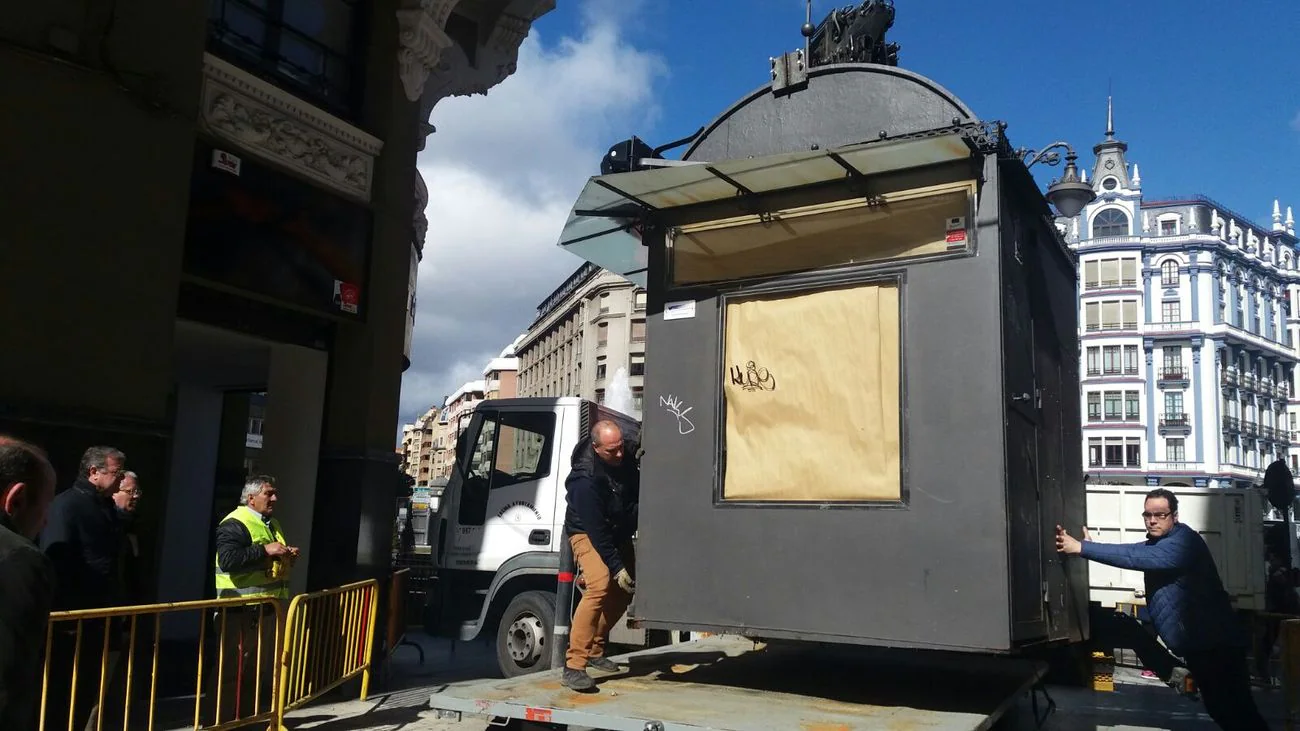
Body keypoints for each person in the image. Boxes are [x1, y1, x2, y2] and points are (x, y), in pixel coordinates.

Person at [1056, 488, 1269, 731]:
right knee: (1225, 712)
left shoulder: (1183, 543)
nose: (1152, 520)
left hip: (1218, 647)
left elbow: (1133, 556)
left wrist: (1082, 548)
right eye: (1147, 514)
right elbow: (1134, 551)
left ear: (1174, 516)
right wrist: (1092, 548)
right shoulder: (1163, 542)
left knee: (1237, 714)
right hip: (1204, 646)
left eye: (1160, 514)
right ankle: (1174, 673)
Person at [40, 446, 127, 731]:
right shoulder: (67, 505)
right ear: (93, 472)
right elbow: (57, 558)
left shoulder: (106, 507)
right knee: (64, 696)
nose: (121, 479)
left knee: (91, 693)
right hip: (74, 621)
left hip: (101, 618)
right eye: (117, 472)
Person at [210, 475, 299, 721]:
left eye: (274, 493)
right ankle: (219, 723)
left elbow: (266, 558)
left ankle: (246, 721)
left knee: (253, 671)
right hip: (239, 608)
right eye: (268, 494)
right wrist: (265, 550)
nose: (274, 498)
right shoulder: (235, 522)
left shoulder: (271, 523)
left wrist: (285, 555)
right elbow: (228, 560)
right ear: (251, 498)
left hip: (264, 607)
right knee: (230, 671)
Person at [561, 420, 640, 691]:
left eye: (620, 448)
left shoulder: (626, 448)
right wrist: (617, 566)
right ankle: (574, 665)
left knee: (626, 590)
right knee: (600, 583)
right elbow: (597, 531)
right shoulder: (584, 481)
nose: (619, 455)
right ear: (596, 448)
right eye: (611, 451)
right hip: (587, 531)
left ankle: (595, 649)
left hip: (616, 530)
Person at [0, 438, 57, 731]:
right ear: (16, 499)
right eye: (46, 506)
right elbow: (8, 681)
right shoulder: (19, 559)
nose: (46, 522)